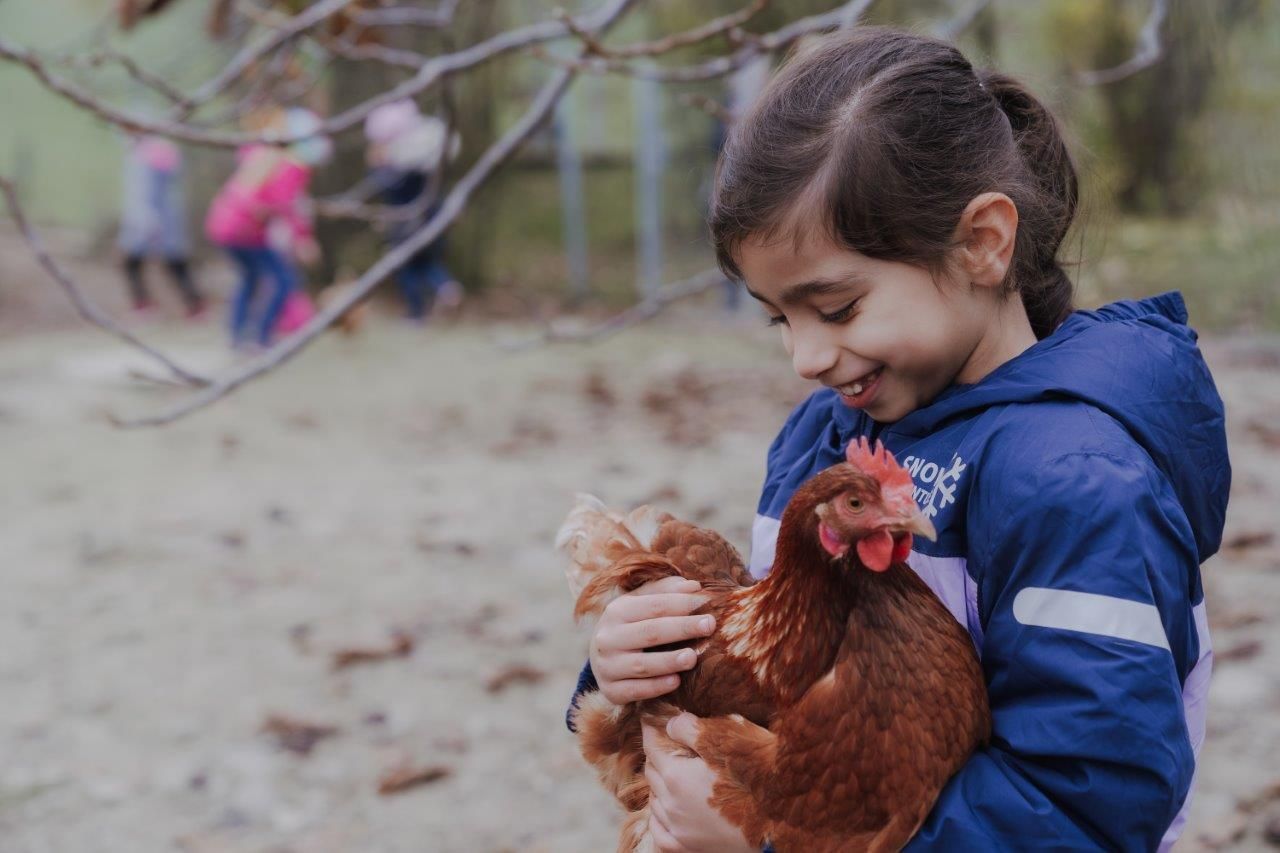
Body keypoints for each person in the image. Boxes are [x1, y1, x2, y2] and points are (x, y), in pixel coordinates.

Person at [571, 27, 1230, 852]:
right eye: (781, 318)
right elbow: (782, 684)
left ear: (982, 243)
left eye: (837, 308)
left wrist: (770, 836)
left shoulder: (1075, 483)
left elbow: (1084, 811)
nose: (806, 357)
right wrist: (631, 664)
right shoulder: (825, 437)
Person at [205, 106, 330, 349]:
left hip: (223, 226)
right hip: (245, 232)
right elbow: (286, 205)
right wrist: (302, 239)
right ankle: (262, 336)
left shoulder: (258, 154)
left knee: (250, 279)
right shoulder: (290, 167)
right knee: (283, 280)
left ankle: (238, 334)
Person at [363, 99, 462, 322]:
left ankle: (416, 312)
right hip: (433, 218)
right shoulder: (426, 168)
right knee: (428, 262)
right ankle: (446, 287)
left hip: (405, 223)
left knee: (406, 267)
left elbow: (386, 190)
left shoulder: (397, 169)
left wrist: (376, 165)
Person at [118, 134, 205, 317]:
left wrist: (148, 218)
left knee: (170, 263)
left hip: (155, 219)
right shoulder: (155, 151)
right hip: (157, 218)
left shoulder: (150, 155)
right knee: (138, 263)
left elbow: (148, 191)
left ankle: (193, 304)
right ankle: (148, 303)